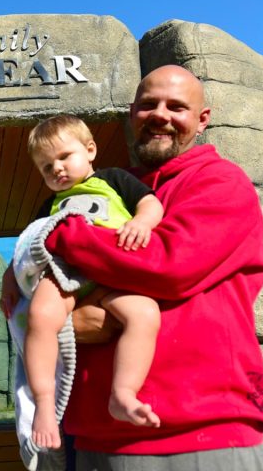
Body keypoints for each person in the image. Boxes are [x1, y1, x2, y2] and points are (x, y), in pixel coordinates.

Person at [2, 65, 263, 470]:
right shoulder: (103, 189)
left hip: (200, 432)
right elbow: (33, 268)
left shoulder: (220, 183)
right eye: (149, 104)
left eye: (176, 106)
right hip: (95, 434)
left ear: (202, 120)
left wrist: (63, 235)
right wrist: (60, 314)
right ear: (133, 114)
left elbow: (168, 266)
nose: (161, 114)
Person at [13, 115, 164, 459]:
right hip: (65, 272)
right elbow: (26, 243)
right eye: (46, 167)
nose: (57, 169)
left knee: (144, 313)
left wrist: (141, 222)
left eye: (64, 157)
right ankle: (45, 404)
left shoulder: (113, 179)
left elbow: (151, 203)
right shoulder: (49, 205)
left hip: (114, 270)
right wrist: (11, 279)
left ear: (90, 150)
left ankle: (123, 393)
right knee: (40, 315)